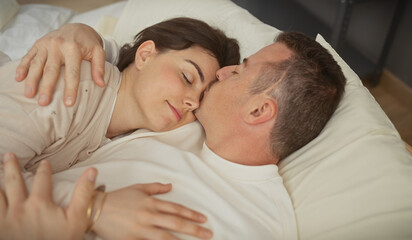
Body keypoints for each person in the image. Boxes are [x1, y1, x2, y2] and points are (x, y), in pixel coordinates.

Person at [11, 23, 346, 239]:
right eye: (190, 80)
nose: (222, 74)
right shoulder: (185, 116)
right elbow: (138, 70)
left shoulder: (256, 223)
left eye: (240, 70)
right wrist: (86, 35)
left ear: (259, 110)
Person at [1, 18, 241, 239]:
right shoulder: (71, 85)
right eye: (188, 77)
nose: (193, 102)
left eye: (201, 99)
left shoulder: (126, 134)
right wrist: (92, 208)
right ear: (145, 55)